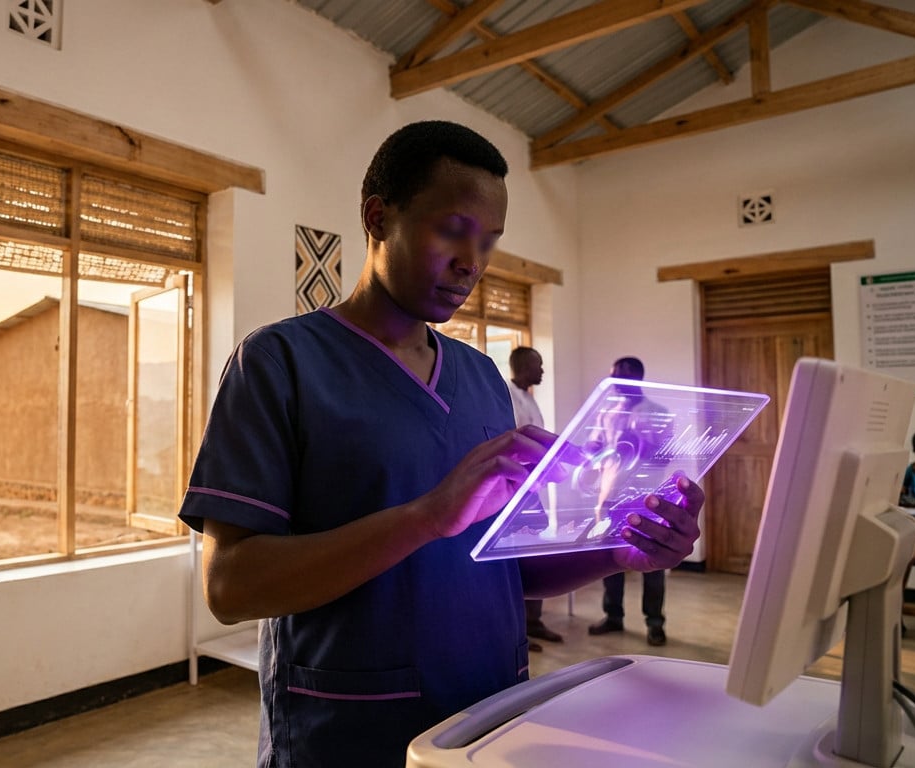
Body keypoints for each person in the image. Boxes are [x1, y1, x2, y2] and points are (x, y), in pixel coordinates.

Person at [179, 121, 704, 768]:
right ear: (378, 217)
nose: (473, 261)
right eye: (453, 230)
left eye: (489, 241)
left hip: (488, 719)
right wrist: (427, 516)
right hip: (350, 731)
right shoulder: (281, 362)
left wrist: (621, 553)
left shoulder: (481, 377)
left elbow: (507, 571)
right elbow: (230, 588)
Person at [587, 356, 672, 646]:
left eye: (620, 378)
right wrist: (588, 449)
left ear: (637, 378)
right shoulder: (607, 413)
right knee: (610, 558)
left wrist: (643, 444)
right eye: (612, 378)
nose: (615, 385)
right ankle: (613, 616)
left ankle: (655, 623)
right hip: (610, 495)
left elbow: (667, 455)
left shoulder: (658, 413)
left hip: (647, 498)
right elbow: (596, 445)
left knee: (653, 560)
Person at [505, 346, 563, 649]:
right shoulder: (506, 395)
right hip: (513, 490)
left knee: (538, 551)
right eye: (538, 365)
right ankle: (518, 632)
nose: (542, 371)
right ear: (524, 366)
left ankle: (534, 622)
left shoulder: (529, 397)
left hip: (532, 488)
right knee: (517, 560)